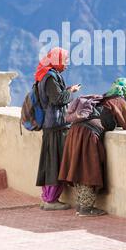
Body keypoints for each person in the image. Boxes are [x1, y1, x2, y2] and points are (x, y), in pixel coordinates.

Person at [58, 77, 126, 217]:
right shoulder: (119, 100)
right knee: (88, 170)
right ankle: (86, 209)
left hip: (75, 131)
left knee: (80, 169)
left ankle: (81, 206)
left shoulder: (104, 98)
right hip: (88, 134)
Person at [35, 47, 81, 210]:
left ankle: (48, 197)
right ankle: (50, 200)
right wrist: (71, 91)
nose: (67, 64)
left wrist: (67, 90)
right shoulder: (50, 78)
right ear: (57, 60)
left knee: (52, 161)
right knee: (55, 163)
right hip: (55, 126)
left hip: (52, 125)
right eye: (65, 60)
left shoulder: (47, 75)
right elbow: (57, 99)